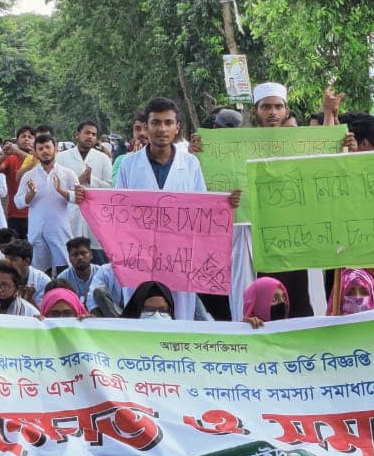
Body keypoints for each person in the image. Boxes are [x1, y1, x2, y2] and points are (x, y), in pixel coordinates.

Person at [119, 98, 240, 321]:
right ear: (145, 127)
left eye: (168, 123)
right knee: (139, 311)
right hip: (140, 256)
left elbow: (203, 210)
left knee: (180, 313)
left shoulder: (191, 163)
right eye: (156, 122)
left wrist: (225, 203)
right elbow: (117, 213)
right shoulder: (128, 164)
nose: (162, 129)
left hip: (180, 257)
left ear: (177, 128)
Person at [14, 134, 83, 273]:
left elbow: (79, 198)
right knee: (40, 271)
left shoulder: (67, 173)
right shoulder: (29, 176)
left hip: (59, 230)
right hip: (37, 231)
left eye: (48, 147)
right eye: (40, 148)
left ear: (55, 149)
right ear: (35, 152)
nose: (45, 151)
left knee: (64, 269)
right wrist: (30, 195)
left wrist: (60, 190)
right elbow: (18, 202)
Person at [57, 121, 113, 260]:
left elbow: (110, 187)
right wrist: (78, 180)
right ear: (77, 134)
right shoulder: (62, 158)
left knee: (97, 257)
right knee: (71, 256)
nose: (90, 137)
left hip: (96, 217)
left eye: (94, 134)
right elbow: (57, 186)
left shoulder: (103, 159)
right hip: (70, 215)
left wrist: (90, 180)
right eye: (87, 133)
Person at [0, 126, 34, 238]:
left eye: (30, 137)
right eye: (23, 136)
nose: (26, 139)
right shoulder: (11, 158)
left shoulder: (39, 158)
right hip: (15, 213)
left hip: (36, 213)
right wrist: (6, 154)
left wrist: (16, 150)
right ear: (17, 140)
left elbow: (34, 162)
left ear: (35, 141)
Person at [1, 240, 50, 308]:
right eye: (6, 259)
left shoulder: (43, 281)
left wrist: (29, 298)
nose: (8, 263)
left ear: (27, 261)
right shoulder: (1, 276)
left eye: (13, 260)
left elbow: (43, 314)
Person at [56, 237, 100, 308]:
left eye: (83, 253)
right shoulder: (63, 278)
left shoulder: (101, 273)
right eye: (75, 254)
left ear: (91, 255)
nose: (80, 257)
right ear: (69, 258)